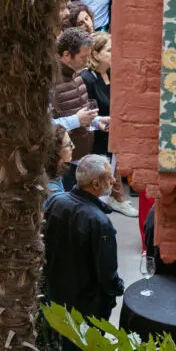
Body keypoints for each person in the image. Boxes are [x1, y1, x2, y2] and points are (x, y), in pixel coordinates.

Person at [43, 154, 124, 351]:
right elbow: (107, 273)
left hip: (59, 297)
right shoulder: (98, 222)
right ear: (96, 183)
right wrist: (117, 289)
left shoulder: (56, 202)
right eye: (109, 179)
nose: (113, 182)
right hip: (88, 303)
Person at [81, 33, 137, 218]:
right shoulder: (87, 78)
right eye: (109, 50)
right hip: (97, 139)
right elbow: (88, 112)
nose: (114, 54)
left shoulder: (111, 74)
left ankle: (115, 198)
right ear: (96, 54)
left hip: (112, 136)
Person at [52, 27, 104, 191]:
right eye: (83, 57)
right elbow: (43, 125)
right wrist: (76, 120)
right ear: (66, 55)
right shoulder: (50, 83)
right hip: (62, 164)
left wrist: (97, 122)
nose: (87, 61)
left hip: (81, 158)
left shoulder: (78, 76)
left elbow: (80, 114)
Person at [45, 124, 75, 199]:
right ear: (55, 151)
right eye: (68, 144)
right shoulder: (52, 191)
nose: (73, 147)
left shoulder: (55, 170)